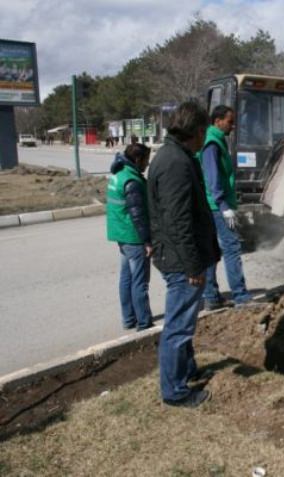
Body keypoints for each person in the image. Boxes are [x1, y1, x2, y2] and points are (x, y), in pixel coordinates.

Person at [147, 101, 221, 408]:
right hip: (181, 261)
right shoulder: (176, 162)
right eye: (206, 131)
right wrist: (193, 265)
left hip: (176, 256)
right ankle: (175, 392)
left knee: (184, 322)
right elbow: (178, 222)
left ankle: (187, 371)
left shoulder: (174, 155)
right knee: (178, 327)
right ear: (198, 130)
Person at [198, 105, 252, 310]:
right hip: (217, 206)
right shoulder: (212, 144)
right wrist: (223, 205)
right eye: (230, 121)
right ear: (218, 121)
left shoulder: (216, 140)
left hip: (213, 204)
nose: (233, 125)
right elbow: (213, 178)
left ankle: (211, 297)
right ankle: (240, 295)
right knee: (232, 248)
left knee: (212, 250)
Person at [106, 143, 153, 331]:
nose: (147, 165)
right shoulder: (132, 181)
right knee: (140, 282)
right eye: (146, 161)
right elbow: (138, 215)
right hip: (133, 236)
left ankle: (128, 319)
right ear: (137, 159)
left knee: (126, 278)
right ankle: (143, 322)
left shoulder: (118, 174)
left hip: (120, 234)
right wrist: (147, 241)